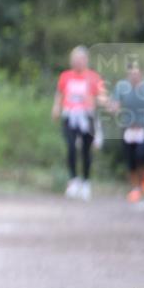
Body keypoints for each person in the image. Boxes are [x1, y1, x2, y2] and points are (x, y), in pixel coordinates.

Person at [51, 46, 107, 200]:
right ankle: (74, 180)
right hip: (70, 116)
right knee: (70, 147)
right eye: (74, 59)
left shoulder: (94, 77)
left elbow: (102, 97)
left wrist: (97, 100)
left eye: (80, 59)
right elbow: (60, 94)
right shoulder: (65, 76)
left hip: (87, 116)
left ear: (86, 60)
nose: (77, 62)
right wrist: (56, 108)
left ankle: (86, 182)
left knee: (86, 151)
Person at [108, 60, 144, 203]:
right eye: (131, 73)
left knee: (141, 155)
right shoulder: (121, 87)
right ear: (128, 74)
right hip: (127, 129)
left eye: (137, 73)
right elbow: (115, 103)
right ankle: (135, 188)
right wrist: (112, 108)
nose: (134, 76)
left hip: (143, 129)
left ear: (141, 74)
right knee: (131, 161)